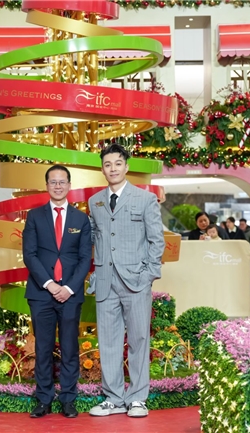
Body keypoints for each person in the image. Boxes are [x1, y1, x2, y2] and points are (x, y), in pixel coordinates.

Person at [87, 144, 165, 418]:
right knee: (108, 341)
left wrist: (149, 274)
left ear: (126, 166)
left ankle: (138, 398)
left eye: (118, 163)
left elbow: (157, 241)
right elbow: (94, 237)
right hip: (105, 281)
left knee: (139, 339)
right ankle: (114, 398)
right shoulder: (94, 201)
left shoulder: (145, 199)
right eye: (108, 164)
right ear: (102, 169)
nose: (113, 169)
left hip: (136, 281)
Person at [22, 165, 92, 419]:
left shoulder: (81, 219)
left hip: (70, 294)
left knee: (70, 348)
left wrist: (69, 288)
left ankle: (68, 399)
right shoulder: (34, 216)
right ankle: (43, 399)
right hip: (41, 293)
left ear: (69, 185)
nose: (58, 186)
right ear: (47, 185)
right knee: (43, 348)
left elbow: (85, 258)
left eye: (62, 182)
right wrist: (50, 284)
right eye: (53, 182)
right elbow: (29, 255)